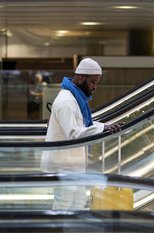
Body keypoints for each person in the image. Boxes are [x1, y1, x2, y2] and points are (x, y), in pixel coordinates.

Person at [40, 58, 124, 210]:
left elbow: (84, 125)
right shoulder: (67, 101)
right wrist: (102, 129)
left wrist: (104, 126)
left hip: (73, 165)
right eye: (93, 82)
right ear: (81, 77)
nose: (95, 87)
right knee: (63, 204)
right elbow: (73, 133)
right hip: (64, 165)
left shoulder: (75, 98)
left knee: (78, 203)